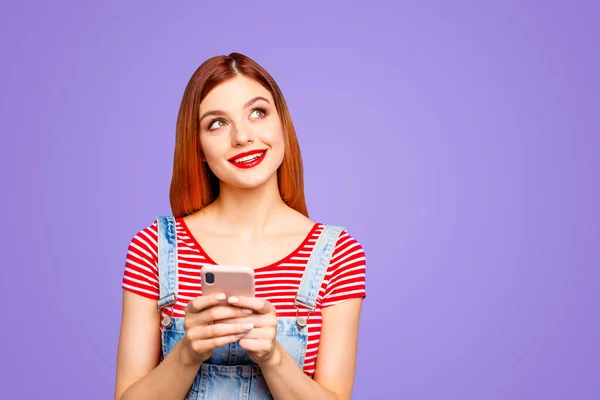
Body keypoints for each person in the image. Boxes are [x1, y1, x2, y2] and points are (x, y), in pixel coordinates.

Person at [114, 52, 367, 400]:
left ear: (282, 124)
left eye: (258, 112)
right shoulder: (153, 248)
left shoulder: (339, 254)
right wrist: (188, 353)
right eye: (217, 123)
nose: (242, 136)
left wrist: (273, 356)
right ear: (199, 147)